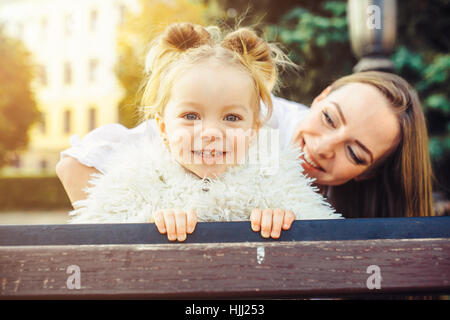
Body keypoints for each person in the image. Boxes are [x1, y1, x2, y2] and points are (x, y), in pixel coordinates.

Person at [57, 49, 434, 223]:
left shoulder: (359, 213)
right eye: (329, 118)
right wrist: (158, 224)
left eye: (354, 153)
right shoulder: (247, 124)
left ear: (368, 173)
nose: (320, 147)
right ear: (320, 97)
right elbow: (74, 167)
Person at [65, 23, 340, 241]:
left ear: (254, 130)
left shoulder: (270, 173)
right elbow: (101, 231)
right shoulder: (139, 173)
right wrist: (147, 226)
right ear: (163, 128)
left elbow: (319, 234)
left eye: (231, 117)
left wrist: (286, 221)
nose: (210, 132)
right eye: (191, 116)